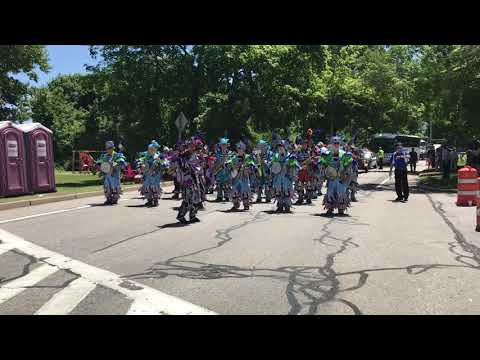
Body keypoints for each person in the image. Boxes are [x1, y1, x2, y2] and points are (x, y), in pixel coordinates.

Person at [322, 136, 353, 216]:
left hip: (340, 177)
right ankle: (330, 208)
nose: (336, 145)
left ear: (340, 144)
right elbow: (324, 164)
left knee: (341, 192)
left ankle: (341, 208)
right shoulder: (328, 154)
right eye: (334, 143)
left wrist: (346, 173)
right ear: (332, 144)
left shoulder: (343, 154)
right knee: (330, 192)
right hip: (332, 177)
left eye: (337, 143)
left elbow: (348, 164)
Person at [174, 139, 203, 224]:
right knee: (188, 198)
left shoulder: (196, 155)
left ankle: (192, 216)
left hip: (195, 178)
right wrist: (188, 168)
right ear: (188, 146)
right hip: (187, 179)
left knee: (196, 197)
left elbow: (199, 167)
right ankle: (181, 215)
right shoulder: (183, 156)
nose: (192, 147)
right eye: (190, 145)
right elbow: (181, 168)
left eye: (193, 145)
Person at [225, 141, 257, 211]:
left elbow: (251, 163)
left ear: (243, 149)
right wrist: (228, 164)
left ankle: (246, 204)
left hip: (244, 177)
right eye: (238, 149)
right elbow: (230, 161)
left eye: (241, 149)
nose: (239, 150)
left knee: (245, 190)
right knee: (234, 190)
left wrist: (250, 165)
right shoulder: (234, 157)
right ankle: (236, 204)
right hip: (236, 178)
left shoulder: (247, 157)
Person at [270, 140, 299, 213]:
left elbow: (295, 166)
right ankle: (279, 205)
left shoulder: (291, 156)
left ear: (285, 147)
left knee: (287, 191)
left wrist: (291, 165)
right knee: (278, 191)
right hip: (278, 177)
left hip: (287, 177)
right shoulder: (275, 156)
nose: (280, 148)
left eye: (281, 147)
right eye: (279, 147)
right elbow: (272, 165)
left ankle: (287, 206)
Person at [137, 140, 168, 207]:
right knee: (147, 187)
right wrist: (141, 166)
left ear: (155, 150)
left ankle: (156, 200)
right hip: (147, 176)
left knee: (155, 188)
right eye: (149, 149)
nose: (150, 150)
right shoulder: (145, 157)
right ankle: (149, 200)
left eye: (152, 149)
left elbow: (165, 164)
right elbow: (140, 163)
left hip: (155, 176)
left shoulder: (159, 157)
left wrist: (160, 163)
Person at [96, 141, 127, 205]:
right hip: (107, 175)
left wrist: (113, 163)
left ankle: (115, 199)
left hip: (114, 175)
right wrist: (101, 166)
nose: (109, 150)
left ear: (113, 148)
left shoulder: (117, 155)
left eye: (110, 148)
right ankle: (108, 199)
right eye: (107, 148)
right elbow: (99, 163)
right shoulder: (104, 156)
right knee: (107, 187)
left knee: (115, 186)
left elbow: (121, 163)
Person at [214, 138, 232, 202]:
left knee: (227, 184)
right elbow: (216, 161)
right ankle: (219, 196)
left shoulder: (230, 153)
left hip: (227, 170)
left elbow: (231, 161)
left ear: (227, 145)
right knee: (219, 183)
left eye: (225, 144)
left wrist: (228, 163)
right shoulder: (217, 153)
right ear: (220, 145)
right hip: (219, 170)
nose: (224, 146)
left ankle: (227, 196)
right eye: (222, 144)